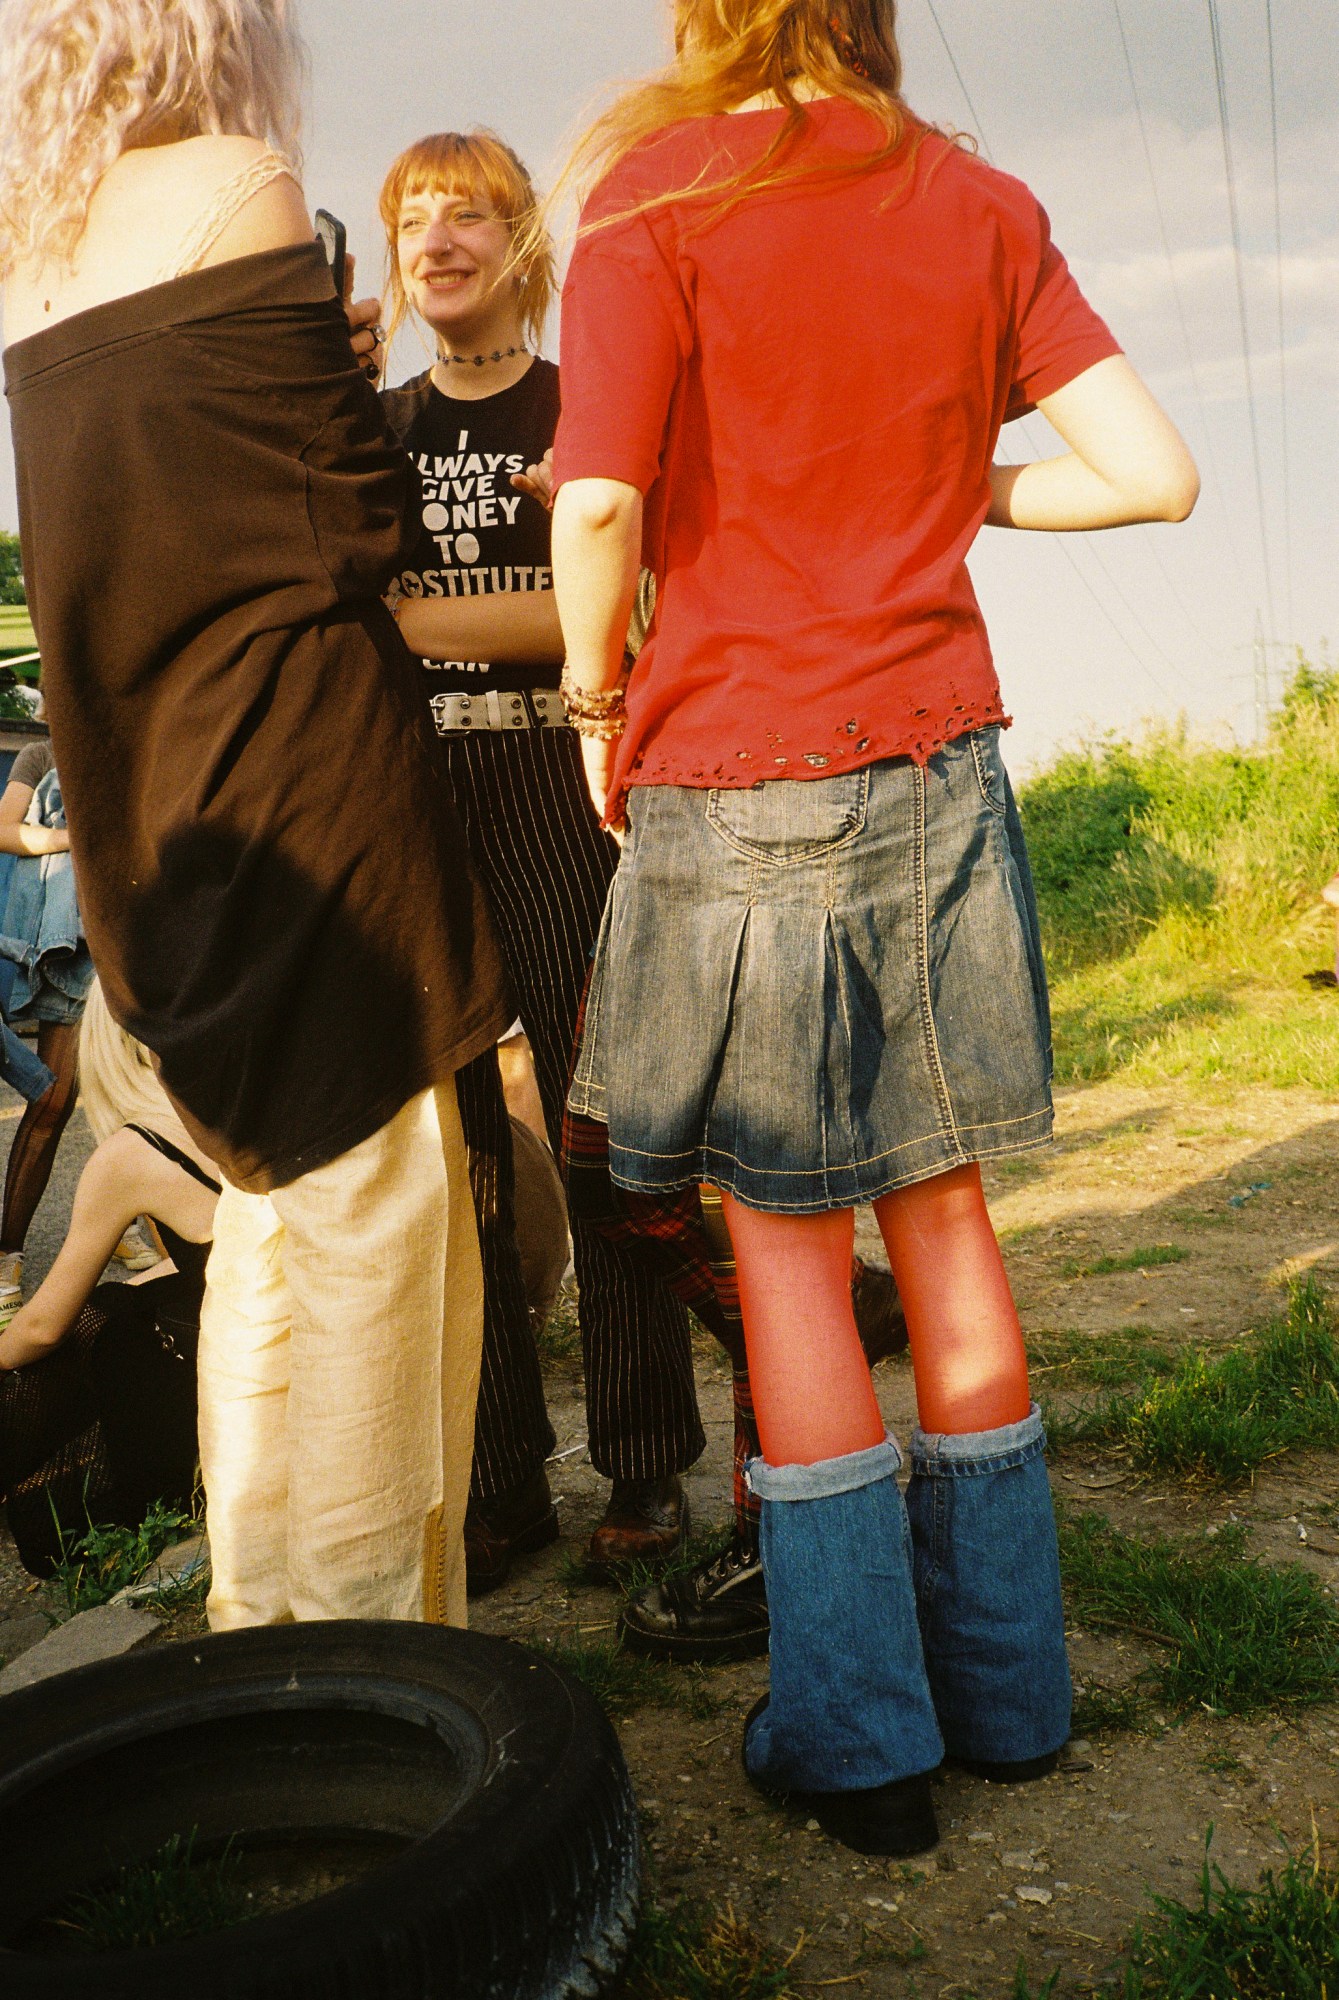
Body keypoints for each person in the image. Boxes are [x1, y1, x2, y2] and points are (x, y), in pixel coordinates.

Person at [549, 0, 1198, 1855]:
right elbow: (1150, 471)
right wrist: (964, 489)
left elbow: (595, 496)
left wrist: (596, 702)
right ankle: (1008, 1700)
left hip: (734, 769)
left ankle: (855, 1747)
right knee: (945, 1216)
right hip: (938, 768)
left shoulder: (653, 194)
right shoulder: (975, 199)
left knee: (777, 1246)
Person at [0, 0, 511, 1630]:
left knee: (271, 1243)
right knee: (377, 1252)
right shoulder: (235, 181)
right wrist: (342, 375)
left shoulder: (35, 253)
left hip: (161, 834)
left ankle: (263, 1651)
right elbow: (357, 526)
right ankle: (381, 1705)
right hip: (310, 797)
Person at [374, 130, 705, 1587]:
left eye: (468, 215)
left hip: (563, 782)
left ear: (523, 248)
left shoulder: (586, 410)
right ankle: (501, 1475)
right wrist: (517, 604)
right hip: (407, 803)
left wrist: (417, 619)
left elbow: (621, 611)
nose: (436, 241)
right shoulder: (369, 434)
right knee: (457, 1162)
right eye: (412, 221)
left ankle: (644, 1470)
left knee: (595, 1125)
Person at [0, 982, 218, 1574]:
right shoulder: (235, 1102)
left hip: (222, 1388)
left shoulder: (134, 1150)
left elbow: (43, 1327)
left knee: (80, 1337)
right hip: (280, 1341)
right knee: (113, 1303)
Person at [0, 736, 92, 1324]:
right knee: (54, 1099)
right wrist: (72, 838)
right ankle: (7, 1253)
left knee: (143, 1101)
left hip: (137, 946)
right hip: (70, 948)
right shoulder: (41, 754)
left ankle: (135, 1225)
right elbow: (6, 829)